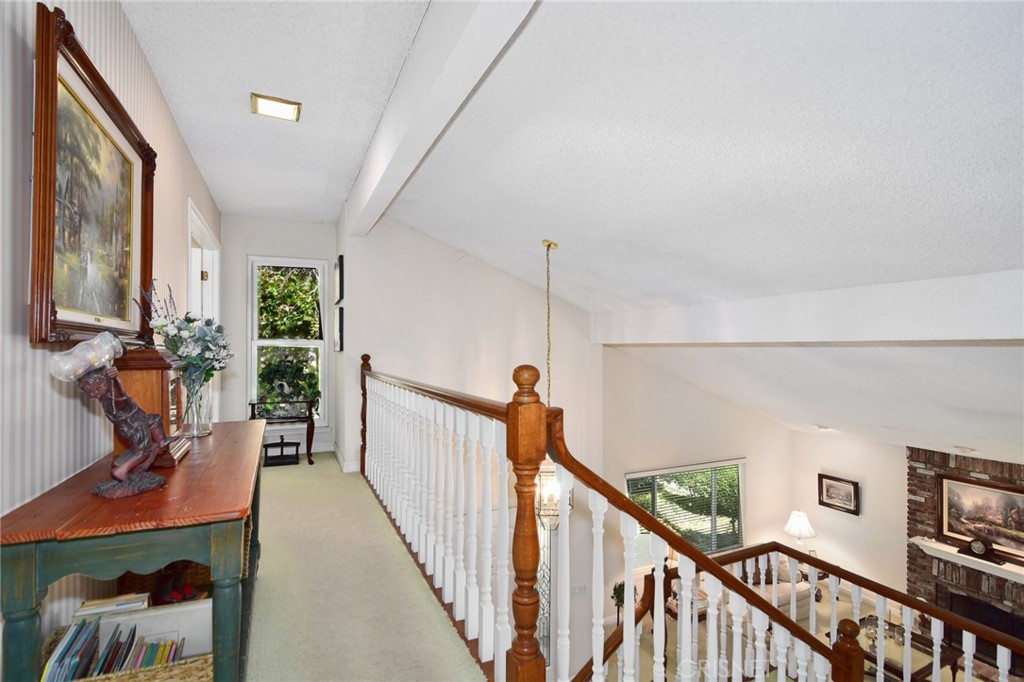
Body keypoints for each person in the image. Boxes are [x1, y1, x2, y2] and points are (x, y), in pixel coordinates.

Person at [77, 366, 178, 481]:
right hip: (134, 425)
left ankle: (162, 440)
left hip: (138, 418)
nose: (95, 393)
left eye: (97, 388)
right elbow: (120, 392)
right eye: (91, 391)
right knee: (144, 451)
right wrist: (114, 379)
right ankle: (121, 470)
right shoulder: (114, 398)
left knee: (155, 419)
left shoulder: (104, 398)